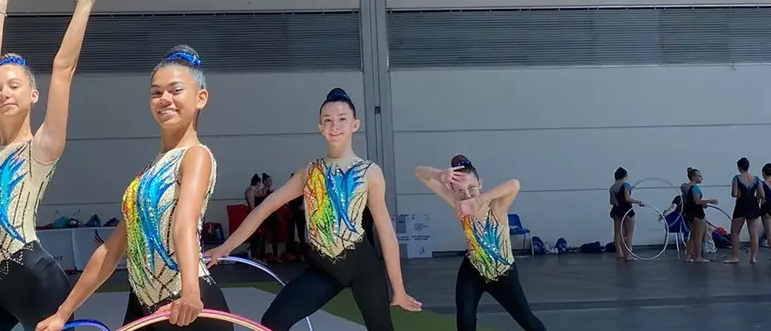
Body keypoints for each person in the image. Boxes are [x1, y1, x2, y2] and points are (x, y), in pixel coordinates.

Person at [0, 0, 114, 331]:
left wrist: (84, 1)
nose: (3, 92)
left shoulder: (41, 149)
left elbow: (63, 68)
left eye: (15, 86)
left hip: (36, 282)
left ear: (33, 95)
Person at [37, 46, 229, 331]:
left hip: (186, 309)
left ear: (201, 98)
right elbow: (111, 250)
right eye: (156, 92)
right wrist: (62, 313)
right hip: (143, 308)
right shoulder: (147, 175)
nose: (165, 99)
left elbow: (184, 226)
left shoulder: (196, 156)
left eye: (175, 90)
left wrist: (190, 294)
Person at [203, 88, 421, 331]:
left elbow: (385, 230)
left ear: (355, 124)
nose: (334, 125)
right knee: (273, 322)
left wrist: (398, 288)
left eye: (341, 119)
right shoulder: (309, 172)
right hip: (322, 268)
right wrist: (225, 247)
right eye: (327, 120)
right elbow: (267, 206)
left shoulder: (370, 172)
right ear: (320, 127)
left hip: (361, 265)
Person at [415, 155, 546, 331]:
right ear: (454, 192)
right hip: (472, 270)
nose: (467, 195)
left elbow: (515, 184)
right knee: (465, 319)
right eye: (460, 192)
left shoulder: (496, 208)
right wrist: (439, 174)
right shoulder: (456, 203)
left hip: (503, 273)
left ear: (480, 184)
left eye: (472, 188)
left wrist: (477, 201)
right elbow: (419, 173)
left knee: (527, 320)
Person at [726, 157, 762, 264]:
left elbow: (734, 194)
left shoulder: (736, 178)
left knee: (735, 232)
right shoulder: (756, 179)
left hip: (741, 205)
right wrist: (756, 198)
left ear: (739, 167)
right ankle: (754, 257)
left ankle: (735, 257)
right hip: (753, 204)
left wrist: (740, 194)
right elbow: (761, 194)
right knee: (753, 232)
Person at [681, 167, 716, 263]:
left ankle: (688, 256)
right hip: (697, 215)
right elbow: (697, 201)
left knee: (692, 236)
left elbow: (693, 202)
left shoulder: (686, 188)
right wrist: (710, 201)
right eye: (699, 176)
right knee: (698, 237)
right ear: (693, 177)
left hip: (690, 214)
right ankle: (698, 257)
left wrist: (703, 204)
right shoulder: (695, 188)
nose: (701, 178)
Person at [608, 167, 643, 261]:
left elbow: (612, 202)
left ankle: (620, 253)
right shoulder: (626, 184)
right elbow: (627, 199)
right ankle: (628, 255)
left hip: (616, 211)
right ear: (625, 176)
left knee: (618, 233)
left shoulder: (613, 187)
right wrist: (639, 202)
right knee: (629, 234)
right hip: (627, 211)